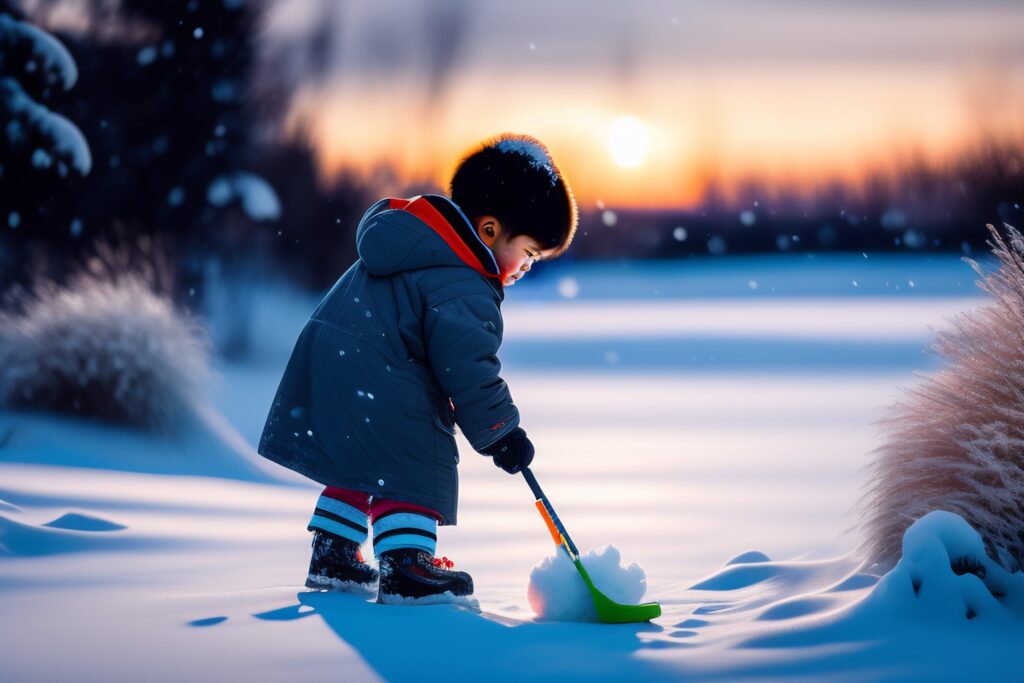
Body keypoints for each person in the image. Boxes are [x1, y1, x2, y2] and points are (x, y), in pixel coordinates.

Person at [257, 134, 578, 603]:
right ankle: (406, 563)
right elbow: (468, 370)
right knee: (418, 448)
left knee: (363, 457)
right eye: (529, 254)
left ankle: (334, 552)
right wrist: (501, 432)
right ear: (490, 230)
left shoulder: (415, 243)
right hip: (380, 369)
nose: (527, 267)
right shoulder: (463, 280)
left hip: (335, 360)